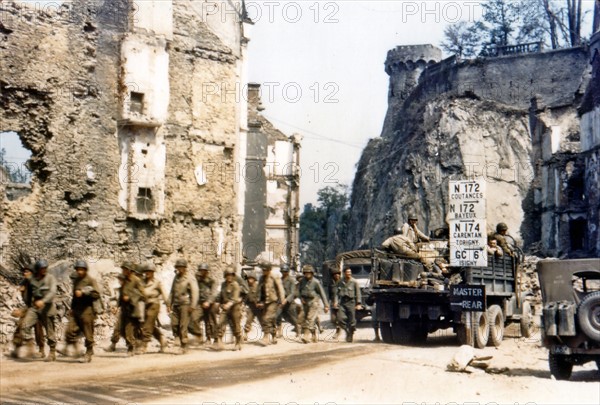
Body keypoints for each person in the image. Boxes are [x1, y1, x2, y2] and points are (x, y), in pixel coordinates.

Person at [60, 260, 101, 363]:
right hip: (77, 309)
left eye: (81, 269)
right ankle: (74, 349)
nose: (79, 271)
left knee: (88, 333)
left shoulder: (90, 280)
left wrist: (84, 292)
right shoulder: (77, 280)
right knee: (70, 330)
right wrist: (72, 308)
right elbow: (74, 296)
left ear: (85, 270)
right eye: (78, 269)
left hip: (87, 310)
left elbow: (97, 294)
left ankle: (89, 352)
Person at [20, 259, 57, 361]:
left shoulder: (50, 278)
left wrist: (44, 301)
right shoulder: (33, 278)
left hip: (47, 307)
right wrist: (22, 289)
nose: (44, 270)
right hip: (35, 307)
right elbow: (25, 281)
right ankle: (33, 347)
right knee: (25, 326)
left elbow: (52, 292)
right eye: (41, 269)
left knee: (50, 331)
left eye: (45, 268)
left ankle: (52, 352)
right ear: (37, 269)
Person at [10, 262, 45, 359]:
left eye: (27, 272)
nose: (25, 273)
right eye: (24, 272)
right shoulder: (24, 283)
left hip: (38, 308)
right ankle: (17, 349)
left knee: (38, 330)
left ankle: (41, 350)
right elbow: (23, 298)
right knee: (20, 327)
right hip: (29, 307)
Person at [168, 259, 198, 354]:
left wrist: (192, 305)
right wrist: (169, 304)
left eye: (181, 267)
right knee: (174, 323)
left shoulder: (190, 278)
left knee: (183, 326)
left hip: (185, 304)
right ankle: (177, 338)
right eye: (178, 267)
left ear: (185, 268)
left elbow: (195, 292)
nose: (179, 269)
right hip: (176, 304)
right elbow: (172, 291)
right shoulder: (176, 278)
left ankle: (183, 345)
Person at [138, 262, 168, 354]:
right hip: (144, 305)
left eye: (149, 271)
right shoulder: (142, 282)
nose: (147, 273)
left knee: (147, 325)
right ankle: (162, 340)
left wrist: (168, 305)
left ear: (153, 272)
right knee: (148, 325)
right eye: (145, 271)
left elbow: (164, 294)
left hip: (154, 305)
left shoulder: (157, 282)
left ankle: (144, 346)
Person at [118, 261, 146, 356]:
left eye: (125, 269)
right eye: (123, 269)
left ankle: (131, 347)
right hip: (124, 308)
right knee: (121, 330)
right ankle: (134, 343)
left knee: (128, 329)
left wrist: (130, 297)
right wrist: (117, 305)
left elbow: (143, 294)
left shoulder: (136, 280)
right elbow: (121, 293)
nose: (123, 271)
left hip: (133, 309)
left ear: (130, 270)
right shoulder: (124, 280)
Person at [298, 265, 329, 343]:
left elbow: (322, 293)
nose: (307, 274)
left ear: (312, 273)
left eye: (309, 273)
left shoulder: (316, 282)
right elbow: (298, 291)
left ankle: (306, 335)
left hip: (314, 302)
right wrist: (301, 298)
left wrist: (326, 305)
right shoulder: (302, 281)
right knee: (306, 319)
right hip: (305, 302)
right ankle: (314, 335)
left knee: (310, 318)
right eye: (306, 273)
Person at [189, 263, 219, 345]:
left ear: (207, 271)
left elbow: (214, 293)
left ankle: (215, 339)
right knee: (194, 318)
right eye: (201, 270)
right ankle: (199, 335)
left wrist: (208, 302)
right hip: (200, 303)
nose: (202, 272)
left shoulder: (212, 281)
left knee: (211, 321)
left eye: (204, 271)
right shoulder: (197, 280)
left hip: (211, 303)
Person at [215, 267, 243, 351]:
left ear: (233, 276)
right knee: (220, 323)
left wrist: (229, 304)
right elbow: (220, 295)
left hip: (235, 307)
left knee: (235, 325)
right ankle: (219, 341)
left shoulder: (235, 285)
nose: (229, 277)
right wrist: (217, 302)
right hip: (225, 308)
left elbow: (235, 298)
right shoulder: (223, 284)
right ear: (225, 276)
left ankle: (238, 342)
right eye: (227, 275)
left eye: (231, 275)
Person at [257, 263, 285, 346]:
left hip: (273, 301)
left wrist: (282, 300)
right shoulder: (262, 278)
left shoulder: (274, 277)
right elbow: (259, 290)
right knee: (271, 319)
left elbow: (280, 289)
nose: (264, 272)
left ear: (269, 270)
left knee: (267, 318)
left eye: (265, 270)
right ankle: (274, 335)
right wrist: (258, 301)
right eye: (263, 270)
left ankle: (266, 337)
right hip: (265, 302)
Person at [333, 268, 362, 342]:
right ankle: (347, 331)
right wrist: (335, 302)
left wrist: (358, 303)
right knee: (340, 319)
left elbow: (358, 293)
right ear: (344, 273)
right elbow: (336, 293)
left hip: (351, 302)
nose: (349, 274)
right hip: (342, 302)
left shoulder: (354, 282)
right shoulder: (340, 281)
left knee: (352, 321)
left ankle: (351, 334)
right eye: (347, 272)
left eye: (350, 272)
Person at [276, 264, 300, 339]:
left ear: (288, 272)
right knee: (278, 315)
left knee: (292, 317)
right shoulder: (280, 280)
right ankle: (279, 332)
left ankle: (298, 329)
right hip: (280, 300)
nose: (284, 273)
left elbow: (293, 293)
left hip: (289, 301)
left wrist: (286, 300)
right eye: (282, 271)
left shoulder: (291, 280)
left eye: (285, 271)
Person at [243, 270, 262, 341]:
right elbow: (246, 297)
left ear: (254, 279)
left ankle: (269, 335)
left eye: (251, 278)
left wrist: (260, 303)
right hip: (251, 307)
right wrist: (244, 304)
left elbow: (261, 296)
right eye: (248, 278)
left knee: (262, 321)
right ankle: (245, 334)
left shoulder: (258, 287)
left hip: (258, 307)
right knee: (248, 321)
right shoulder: (247, 287)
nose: (249, 280)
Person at [328, 268, 342, 339]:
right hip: (333, 303)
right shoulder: (331, 283)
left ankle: (338, 332)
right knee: (333, 319)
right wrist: (327, 303)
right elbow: (329, 294)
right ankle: (339, 329)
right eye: (335, 274)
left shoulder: (342, 283)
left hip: (341, 303)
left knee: (339, 318)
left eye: (338, 274)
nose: (337, 276)